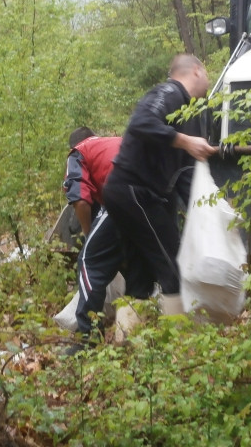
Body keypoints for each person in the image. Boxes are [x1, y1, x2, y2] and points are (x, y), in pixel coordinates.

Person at [102, 53, 217, 315]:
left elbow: (187, 176)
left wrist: (207, 215)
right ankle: (177, 347)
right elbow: (141, 123)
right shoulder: (170, 91)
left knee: (141, 273)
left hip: (137, 194)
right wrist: (186, 141)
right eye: (206, 74)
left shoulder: (193, 114)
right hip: (133, 190)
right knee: (173, 266)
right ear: (196, 71)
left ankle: (130, 340)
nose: (208, 80)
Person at [62, 127, 152, 348]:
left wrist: (88, 235)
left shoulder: (79, 152)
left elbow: (81, 201)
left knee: (88, 261)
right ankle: (134, 336)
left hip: (123, 197)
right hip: (155, 202)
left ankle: (89, 339)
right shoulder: (118, 142)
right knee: (136, 266)